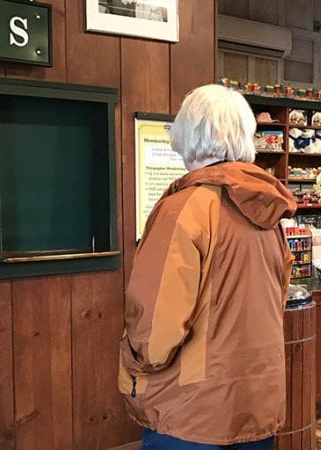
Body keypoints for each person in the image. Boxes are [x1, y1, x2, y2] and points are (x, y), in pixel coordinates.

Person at [118, 85, 297, 449]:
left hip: (191, 412)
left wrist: (132, 361)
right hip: (256, 401)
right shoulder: (270, 212)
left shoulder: (183, 209)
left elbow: (155, 334)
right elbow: (277, 300)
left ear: (187, 133)